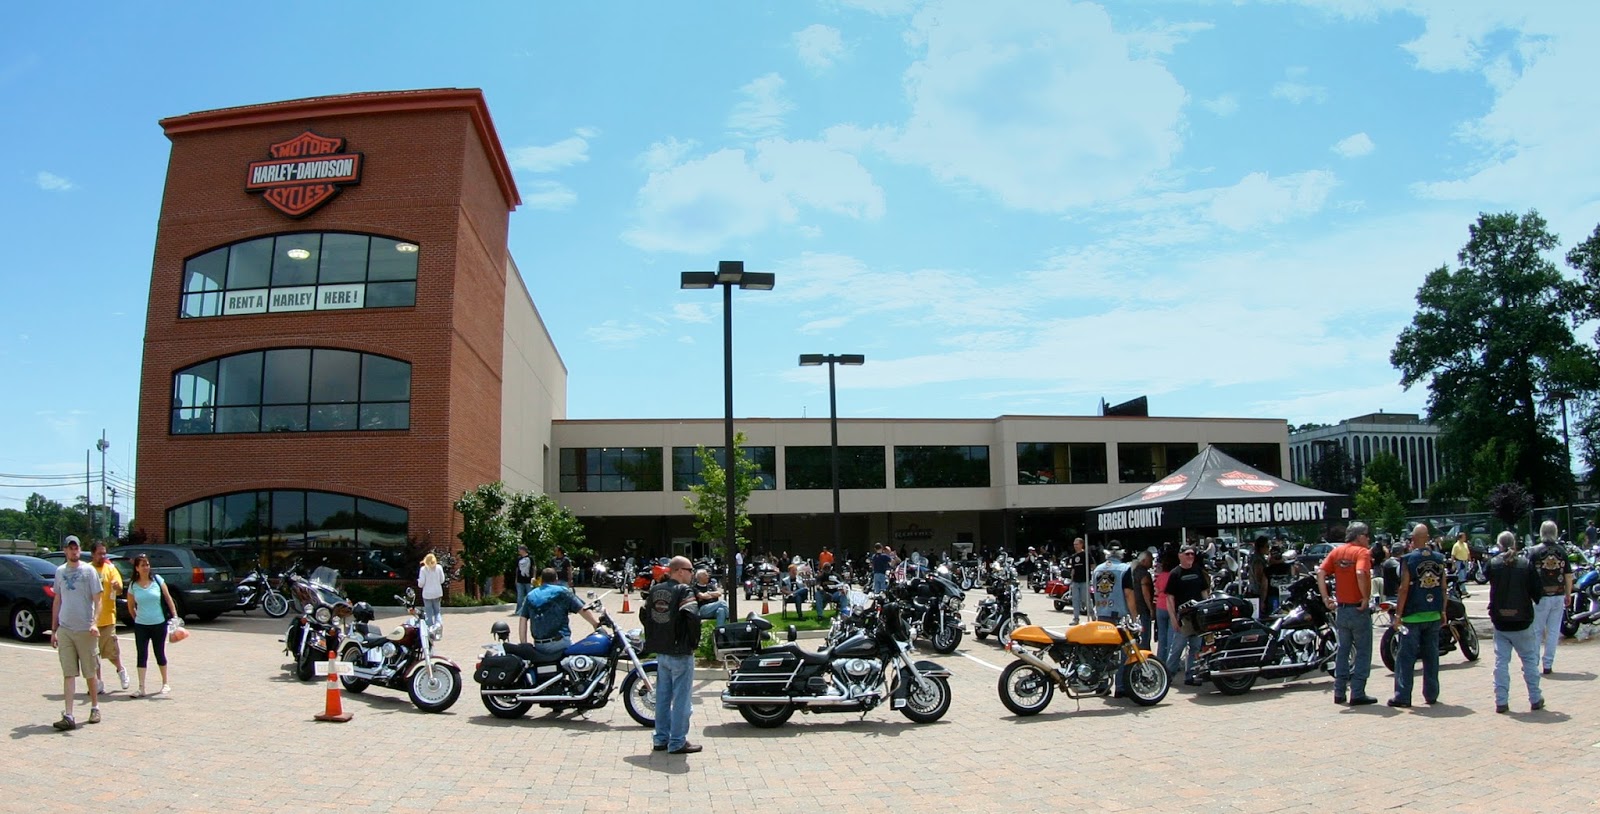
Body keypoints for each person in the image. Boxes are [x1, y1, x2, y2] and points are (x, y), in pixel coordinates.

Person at [642, 556, 700, 754]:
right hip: (680, 652)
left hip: (662, 651)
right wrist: (692, 642)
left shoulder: (655, 590)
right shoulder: (684, 591)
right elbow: (692, 616)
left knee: (663, 698)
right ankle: (677, 742)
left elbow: (644, 614)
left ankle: (660, 739)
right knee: (682, 700)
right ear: (679, 571)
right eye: (690, 570)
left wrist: (655, 637)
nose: (692, 574)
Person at [1317, 523, 1377, 706]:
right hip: (1357, 609)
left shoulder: (1337, 552)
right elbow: (1360, 572)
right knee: (1363, 651)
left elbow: (1320, 572)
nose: (1368, 539)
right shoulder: (1362, 553)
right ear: (1359, 537)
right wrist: (1365, 597)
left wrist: (1326, 598)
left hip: (1341, 609)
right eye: (1367, 535)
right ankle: (1357, 692)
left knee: (1343, 650)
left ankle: (1339, 691)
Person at [1389, 522, 1448, 708]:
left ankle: (1403, 696)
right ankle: (1431, 694)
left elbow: (1404, 588)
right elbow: (1444, 587)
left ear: (1413, 540)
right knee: (1431, 656)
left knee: (1405, 657)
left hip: (1412, 615)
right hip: (1433, 615)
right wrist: (1443, 610)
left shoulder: (1409, 560)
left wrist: (1398, 614)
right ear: (1428, 538)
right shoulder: (1439, 558)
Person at [1486, 530, 1544, 713]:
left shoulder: (1493, 564)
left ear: (1499, 545)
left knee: (1501, 662)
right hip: (1522, 619)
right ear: (1515, 544)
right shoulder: (1526, 564)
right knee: (1529, 660)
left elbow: (1485, 576)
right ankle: (1535, 697)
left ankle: (1501, 700)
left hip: (1500, 620)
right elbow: (1538, 593)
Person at [50, 536, 103, 730]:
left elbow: (98, 600)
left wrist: (95, 623)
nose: (74, 551)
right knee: (69, 673)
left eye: (77, 548)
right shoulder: (60, 571)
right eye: (71, 548)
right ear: (65, 550)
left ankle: (95, 707)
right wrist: (54, 630)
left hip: (85, 629)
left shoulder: (88, 571)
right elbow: (57, 600)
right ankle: (69, 714)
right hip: (65, 629)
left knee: (90, 672)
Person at [124, 553, 179, 698]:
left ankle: (165, 683)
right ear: (136, 568)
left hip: (159, 623)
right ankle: (141, 687)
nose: (146, 567)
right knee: (142, 654)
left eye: (147, 564)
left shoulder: (157, 580)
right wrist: (136, 619)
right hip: (141, 625)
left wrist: (174, 616)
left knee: (159, 652)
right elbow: (130, 606)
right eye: (142, 565)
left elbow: (168, 599)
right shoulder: (133, 585)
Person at [519, 567, 601, 659]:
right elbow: (582, 610)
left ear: (541, 580)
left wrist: (524, 644)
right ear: (556, 580)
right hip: (560, 643)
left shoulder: (531, 595)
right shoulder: (562, 592)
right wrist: (595, 624)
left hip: (539, 645)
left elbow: (523, 619)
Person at [1526, 520, 1573, 675]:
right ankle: (1548, 664)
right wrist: (1568, 594)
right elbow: (1568, 575)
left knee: (1537, 631)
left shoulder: (1533, 552)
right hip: (1558, 594)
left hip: (1540, 596)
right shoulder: (1562, 551)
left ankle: (1533, 663)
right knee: (1553, 631)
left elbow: (1527, 575)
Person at [1162, 544, 1210, 686]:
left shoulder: (1198, 571)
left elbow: (1204, 592)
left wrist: (1207, 608)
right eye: (1187, 554)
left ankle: (1191, 675)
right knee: (1177, 647)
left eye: (1192, 554)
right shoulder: (1175, 573)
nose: (1190, 556)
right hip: (1183, 616)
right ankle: (1168, 675)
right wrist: (1173, 619)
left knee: (1195, 647)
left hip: (1198, 615)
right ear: (1180, 555)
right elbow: (1169, 598)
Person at [89, 541, 128, 693]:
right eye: (100, 553)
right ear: (93, 554)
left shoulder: (110, 568)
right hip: (92, 619)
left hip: (108, 617)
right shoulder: (88, 569)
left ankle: (121, 670)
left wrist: (117, 586)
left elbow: (119, 588)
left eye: (104, 553)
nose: (103, 556)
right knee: (94, 653)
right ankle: (98, 682)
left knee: (112, 651)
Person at [1090, 547, 1135, 623]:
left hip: (1101, 614)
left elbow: (1094, 590)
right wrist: (1134, 616)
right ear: (1121, 553)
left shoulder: (1097, 569)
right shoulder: (1125, 569)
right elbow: (1128, 594)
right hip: (1119, 616)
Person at [1130, 549, 1156, 649]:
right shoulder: (1144, 574)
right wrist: (1151, 608)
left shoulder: (1133, 571)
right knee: (1145, 637)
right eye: (1150, 560)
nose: (1152, 563)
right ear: (1144, 561)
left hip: (1135, 607)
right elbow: (1146, 592)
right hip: (1143, 608)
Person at [417, 553, 445, 633]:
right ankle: (439, 626)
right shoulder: (439, 568)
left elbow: (421, 584)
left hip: (427, 594)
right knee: (437, 612)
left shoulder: (423, 569)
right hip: (437, 592)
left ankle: (430, 629)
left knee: (429, 613)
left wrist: (418, 582)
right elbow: (442, 580)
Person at [1067, 538, 1091, 624]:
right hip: (1076, 582)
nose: (1075, 546)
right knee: (1075, 600)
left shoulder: (1086, 555)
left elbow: (1092, 565)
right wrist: (1071, 580)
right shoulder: (1073, 557)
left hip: (1084, 581)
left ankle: (1093, 615)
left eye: (1077, 544)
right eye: (1074, 544)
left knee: (1086, 599)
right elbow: (1073, 569)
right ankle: (1076, 618)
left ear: (1081, 544)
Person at [1250, 536, 1272, 622]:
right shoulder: (1258, 561)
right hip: (1258, 593)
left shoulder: (1261, 559)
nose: (1268, 548)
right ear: (1261, 547)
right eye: (1267, 546)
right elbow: (1260, 579)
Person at [514, 545, 533, 611]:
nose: (519, 551)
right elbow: (517, 569)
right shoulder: (518, 559)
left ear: (523, 550)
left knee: (530, 596)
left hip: (528, 580)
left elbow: (534, 567)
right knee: (520, 596)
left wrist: (534, 577)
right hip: (520, 580)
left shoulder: (530, 558)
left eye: (519, 549)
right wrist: (516, 579)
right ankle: (518, 610)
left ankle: (530, 610)